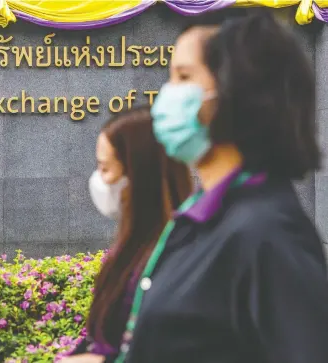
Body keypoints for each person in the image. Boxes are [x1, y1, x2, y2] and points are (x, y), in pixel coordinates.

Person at [114, 11, 328, 363]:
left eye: (184, 77)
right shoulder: (202, 218)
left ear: (235, 92)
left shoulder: (268, 233)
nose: (167, 94)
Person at [59, 106, 193, 363]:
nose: (100, 180)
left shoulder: (180, 255)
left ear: (138, 173)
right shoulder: (131, 249)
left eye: (106, 168)